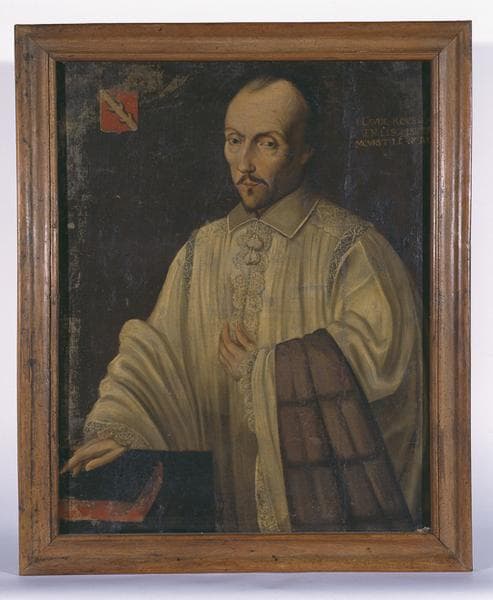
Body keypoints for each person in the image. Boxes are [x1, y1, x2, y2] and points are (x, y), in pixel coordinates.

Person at [63, 76, 425, 533]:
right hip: (223, 511)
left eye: (267, 144)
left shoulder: (352, 248)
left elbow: (386, 367)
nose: (245, 164)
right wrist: (122, 425)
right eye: (235, 141)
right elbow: (155, 354)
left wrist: (263, 371)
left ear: (305, 150)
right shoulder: (202, 250)